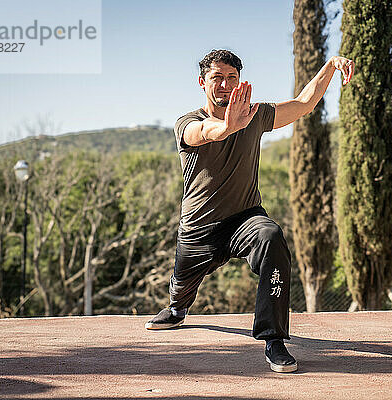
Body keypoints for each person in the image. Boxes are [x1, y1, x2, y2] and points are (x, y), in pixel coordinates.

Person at [145, 49, 354, 373]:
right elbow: (204, 134)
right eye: (217, 78)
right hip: (199, 228)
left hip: (245, 217)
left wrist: (329, 67)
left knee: (271, 237)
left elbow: (303, 105)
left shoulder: (254, 115)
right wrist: (227, 127)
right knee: (181, 287)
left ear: (239, 81)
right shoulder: (187, 122)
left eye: (232, 78)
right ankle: (177, 308)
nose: (225, 85)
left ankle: (274, 339)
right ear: (202, 82)